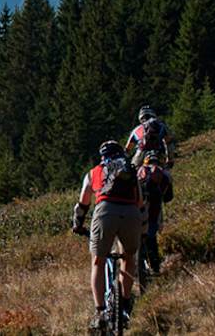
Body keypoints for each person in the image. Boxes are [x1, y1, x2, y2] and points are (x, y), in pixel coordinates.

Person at [72, 140, 144, 331]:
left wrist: (78, 224)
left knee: (98, 260)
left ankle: (100, 312)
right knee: (129, 257)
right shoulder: (131, 171)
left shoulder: (94, 173)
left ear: (102, 156)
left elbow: (82, 205)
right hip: (131, 213)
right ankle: (125, 304)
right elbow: (140, 201)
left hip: (105, 212)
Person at [138, 151, 174, 275]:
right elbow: (168, 198)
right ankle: (155, 267)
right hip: (155, 210)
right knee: (151, 237)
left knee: (139, 235)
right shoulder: (165, 174)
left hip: (139, 208)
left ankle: (139, 264)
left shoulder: (139, 171)